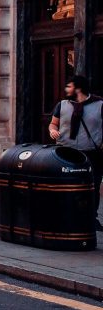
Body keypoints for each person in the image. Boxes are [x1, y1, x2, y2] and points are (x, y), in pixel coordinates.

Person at [50, 74, 103, 228]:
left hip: (91, 153)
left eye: (69, 86)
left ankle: (91, 218)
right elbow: (53, 124)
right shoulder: (62, 105)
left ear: (78, 88)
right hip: (65, 152)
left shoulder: (99, 104)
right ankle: (64, 215)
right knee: (64, 185)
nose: (66, 89)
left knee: (92, 186)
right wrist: (52, 131)